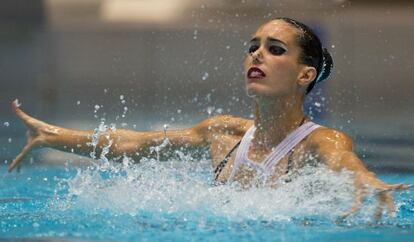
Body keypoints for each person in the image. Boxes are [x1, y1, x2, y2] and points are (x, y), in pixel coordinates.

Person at [7, 17, 410, 220]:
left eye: (274, 49)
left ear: (305, 75)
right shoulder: (222, 133)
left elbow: (343, 160)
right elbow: (136, 144)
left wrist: (364, 180)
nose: (257, 55)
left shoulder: (319, 141)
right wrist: (53, 135)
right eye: (253, 47)